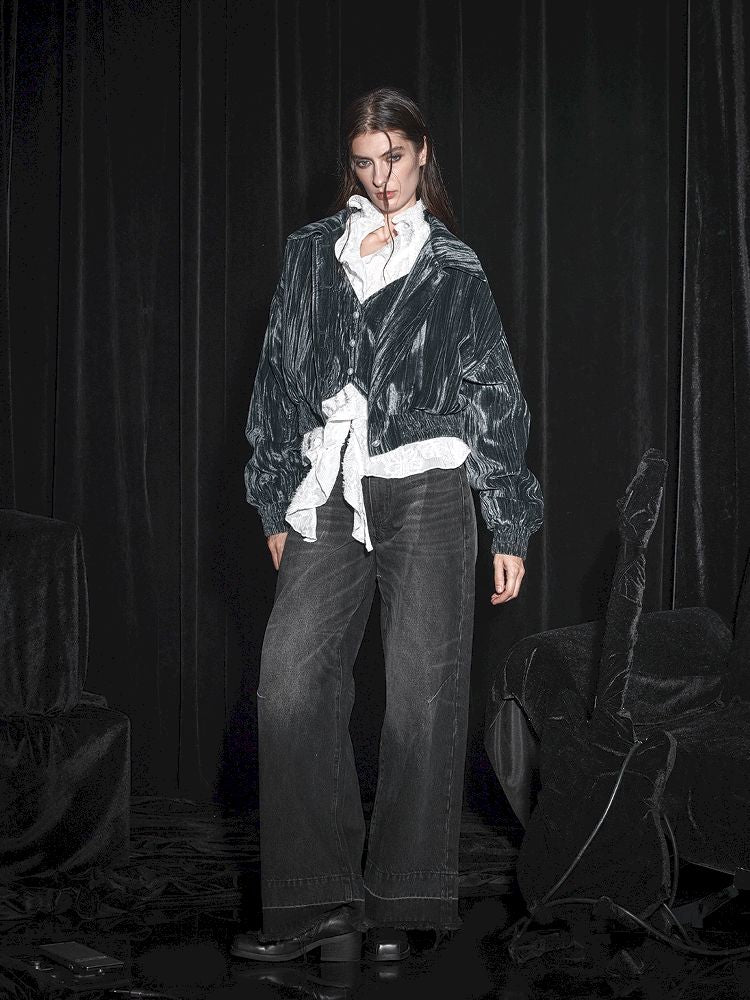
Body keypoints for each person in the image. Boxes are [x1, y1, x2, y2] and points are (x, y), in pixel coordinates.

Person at [233, 86, 544, 964]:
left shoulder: (454, 265)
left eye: (395, 158)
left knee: (422, 702)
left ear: (422, 151)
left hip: (431, 492)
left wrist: (509, 518)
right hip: (330, 489)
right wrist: (274, 496)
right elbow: (278, 376)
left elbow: (492, 392)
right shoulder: (311, 253)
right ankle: (318, 902)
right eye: (365, 162)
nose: (381, 177)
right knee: (290, 683)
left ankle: (400, 904)